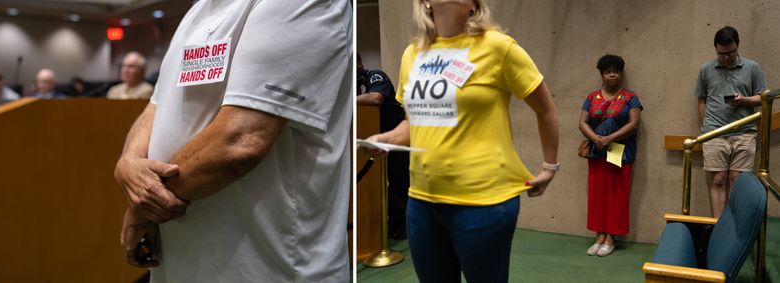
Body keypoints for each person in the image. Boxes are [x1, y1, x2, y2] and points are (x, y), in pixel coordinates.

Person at [113, 0, 352, 282]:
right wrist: (128, 162)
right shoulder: (199, 10)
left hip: (267, 266)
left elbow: (239, 141)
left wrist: (144, 205)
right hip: (182, 260)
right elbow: (156, 106)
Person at [360, 0, 558, 281]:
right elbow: (415, 122)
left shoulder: (498, 47)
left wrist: (550, 166)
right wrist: (386, 138)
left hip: (484, 203)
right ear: (425, 2)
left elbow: (546, 109)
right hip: (422, 201)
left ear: (474, 5)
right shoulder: (412, 54)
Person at [694, 26, 766, 217]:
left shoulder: (752, 67)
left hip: (745, 132)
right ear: (716, 49)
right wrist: (705, 129)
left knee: (737, 180)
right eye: (721, 54)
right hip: (714, 132)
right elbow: (701, 100)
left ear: (737, 46)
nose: (726, 57)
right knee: (718, 179)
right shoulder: (706, 69)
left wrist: (744, 100)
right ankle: (719, 227)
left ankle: (734, 229)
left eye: (730, 53)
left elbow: (762, 98)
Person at [578, 54, 643, 257]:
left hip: (620, 153)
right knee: (597, 194)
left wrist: (610, 139)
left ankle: (611, 237)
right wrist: (597, 139)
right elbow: (582, 122)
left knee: (617, 194)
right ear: (601, 74)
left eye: (615, 71)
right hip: (597, 152)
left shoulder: (630, 98)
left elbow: (634, 124)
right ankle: (599, 235)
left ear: (621, 73)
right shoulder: (591, 97)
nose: (612, 75)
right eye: (608, 72)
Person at [357, 54, 410, 239]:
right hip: (375, 140)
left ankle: (402, 228)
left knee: (399, 184)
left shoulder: (375, 76)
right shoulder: (351, 85)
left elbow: (375, 99)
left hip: (397, 137)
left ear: (360, 64)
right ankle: (391, 226)